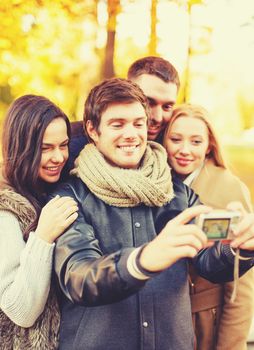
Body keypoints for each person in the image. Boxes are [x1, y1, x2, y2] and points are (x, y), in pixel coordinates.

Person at [51, 78, 254, 350]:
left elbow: (209, 258)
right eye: (117, 124)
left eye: (138, 123)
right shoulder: (70, 196)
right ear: (93, 130)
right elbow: (79, 278)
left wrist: (241, 246)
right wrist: (141, 261)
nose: (131, 134)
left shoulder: (177, 192)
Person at [163, 103, 254, 350]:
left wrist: (229, 346)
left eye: (196, 142)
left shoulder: (229, 190)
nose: (184, 150)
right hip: (163, 321)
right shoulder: (156, 182)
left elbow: (241, 286)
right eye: (175, 139)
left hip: (204, 323)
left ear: (209, 145)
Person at [0, 95, 78, 349]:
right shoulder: (5, 209)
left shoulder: (50, 189)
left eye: (63, 145)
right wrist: (43, 237)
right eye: (45, 148)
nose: (58, 157)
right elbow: (20, 310)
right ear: (20, 148)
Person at [68, 55, 180, 167]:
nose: (158, 117)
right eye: (149, 102)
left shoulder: (173, 144)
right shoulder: (70, 143)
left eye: (167, 107)